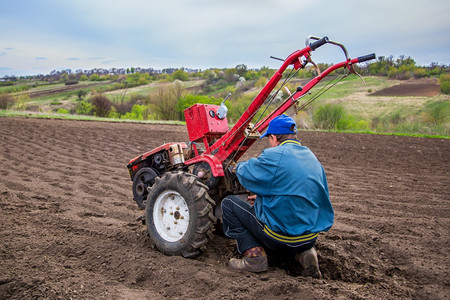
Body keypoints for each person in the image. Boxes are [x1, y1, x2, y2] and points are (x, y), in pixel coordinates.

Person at [221, 114, 334, 277]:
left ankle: (254, 257)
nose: (270, 143)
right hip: (309, 237)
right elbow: (291, 189)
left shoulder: (274, 156)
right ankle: (305, 253)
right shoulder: (311, 156)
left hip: (279, 239)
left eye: (269, 139)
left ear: (274, 137)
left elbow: (246, 172)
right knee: (297, 227)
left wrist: (233, 168)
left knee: (229, 204)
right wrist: (261, 199)